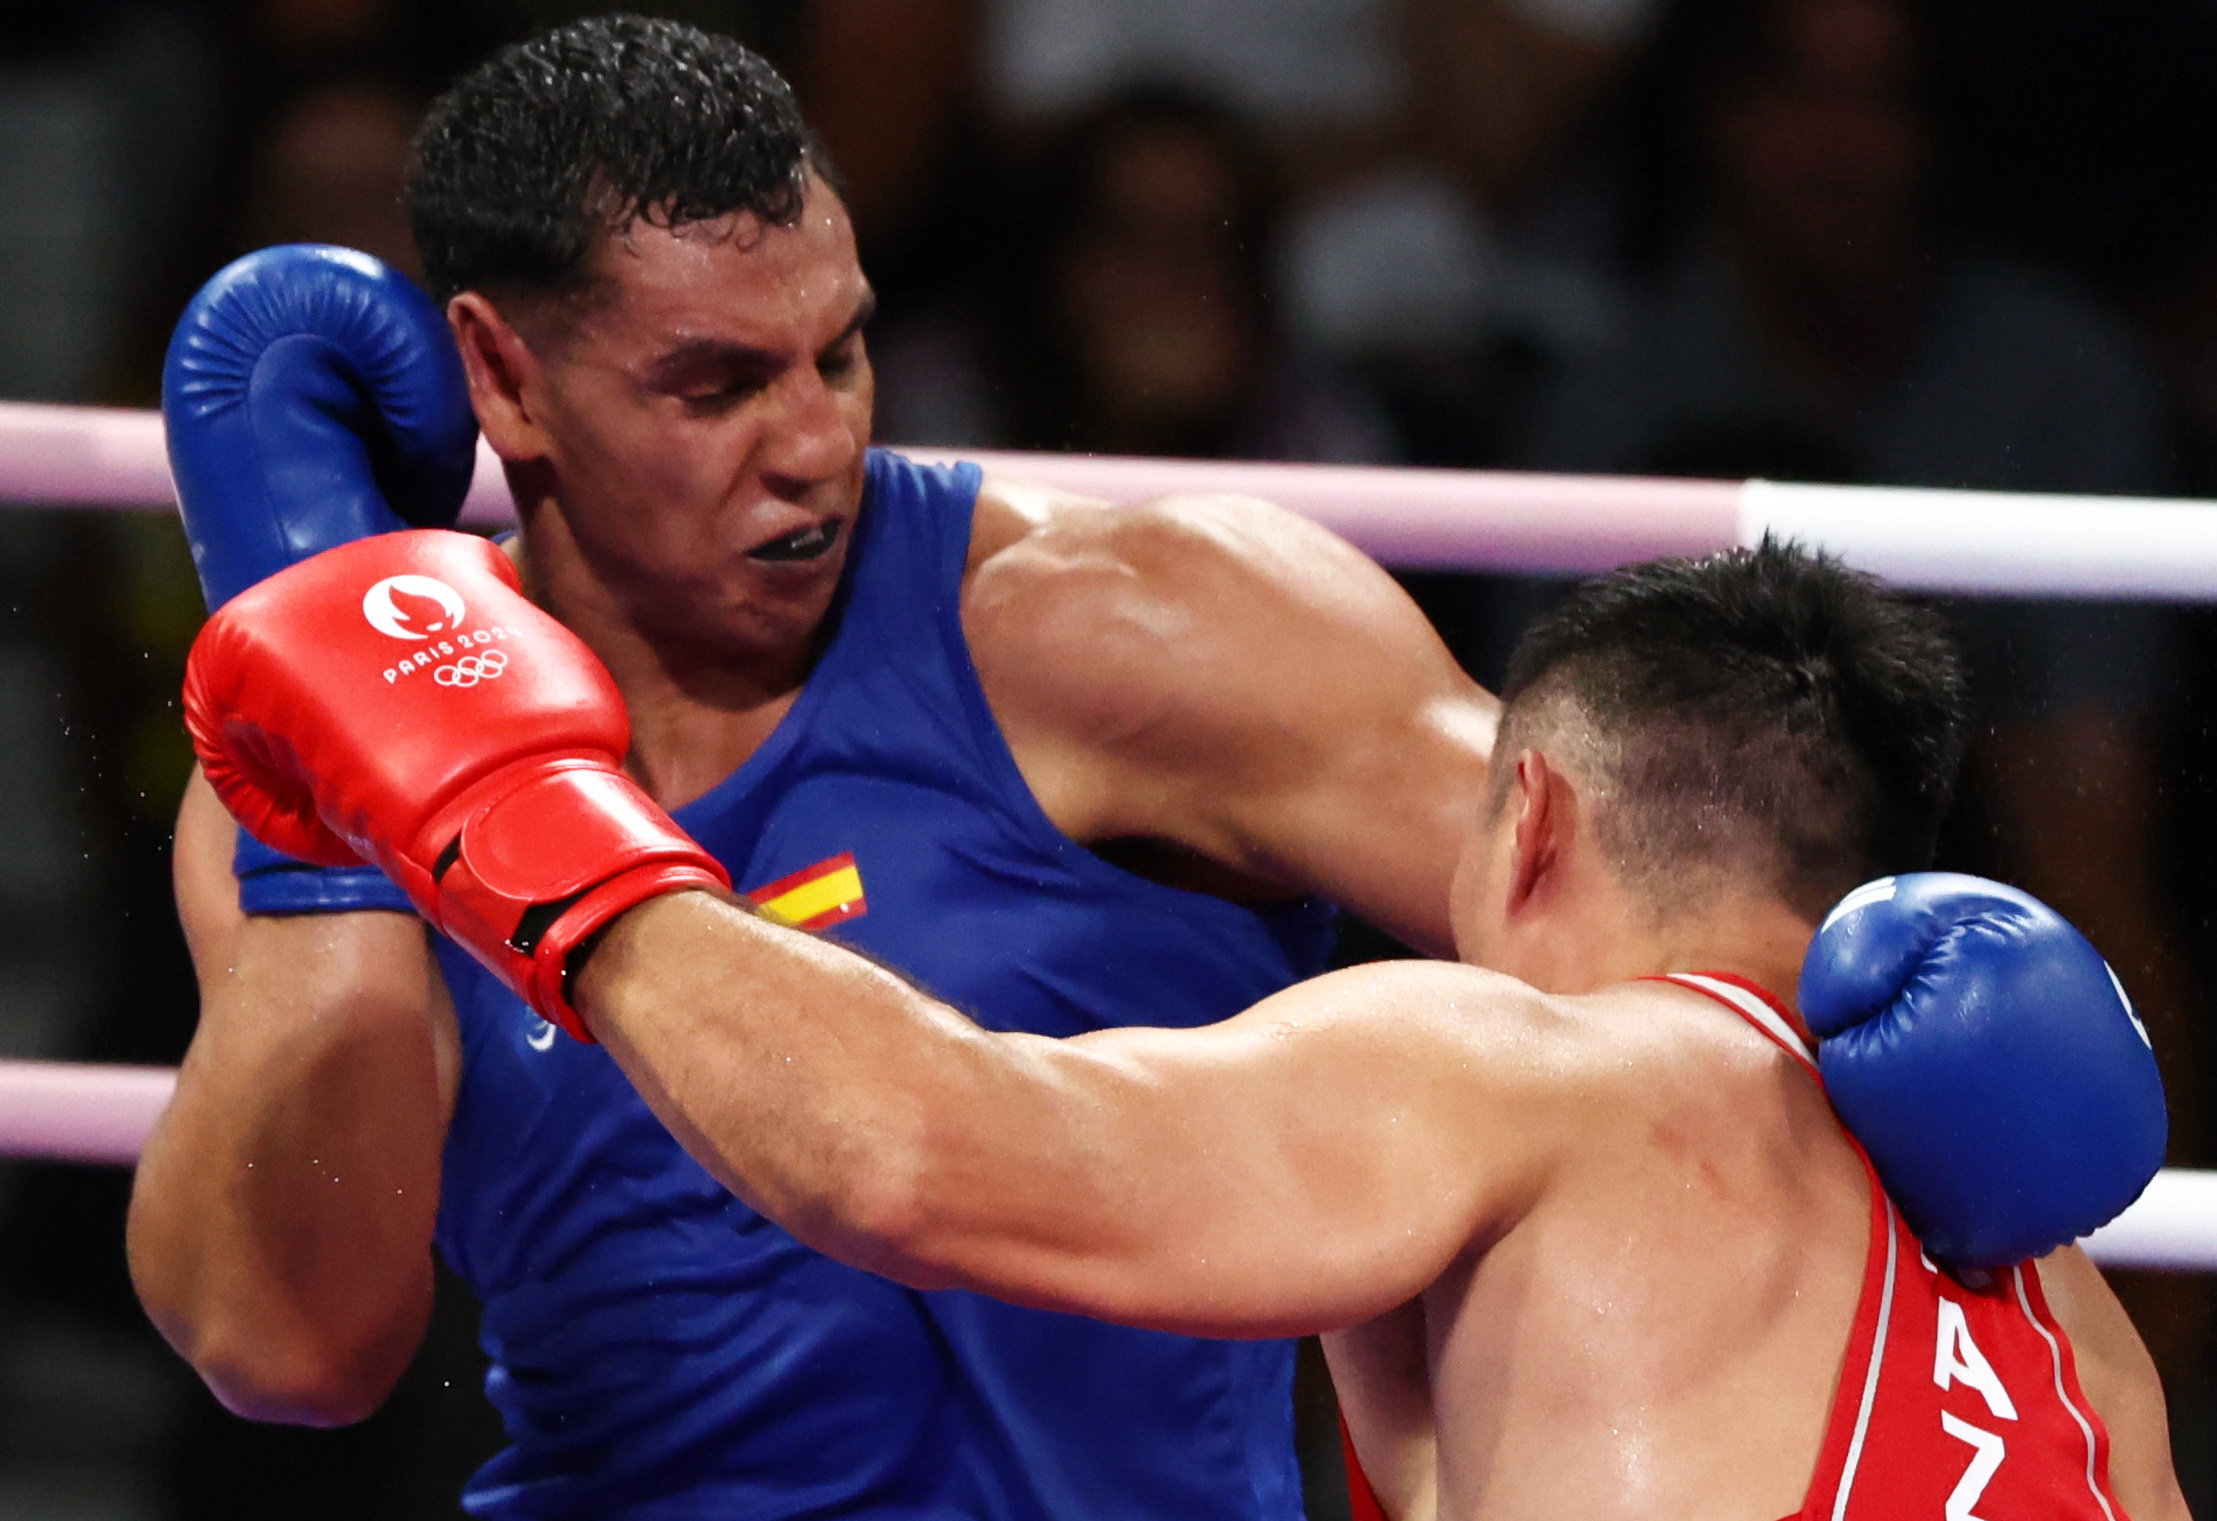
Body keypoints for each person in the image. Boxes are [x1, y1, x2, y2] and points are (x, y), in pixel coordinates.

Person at [130, 16, 2166, 1520]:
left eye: (834, 352)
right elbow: (292, 1346)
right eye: (712, 383)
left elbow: (1623, 902)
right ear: (502, 375)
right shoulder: (320, 765)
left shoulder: (1126, 630)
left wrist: (1934, 1030)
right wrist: (342, 788)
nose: (810, 441)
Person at [180, 530, 2182, 1519]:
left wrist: (507, 815)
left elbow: (907, 1150)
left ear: (1534, 815)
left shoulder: (1523, 1066)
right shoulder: (2051, 1296)